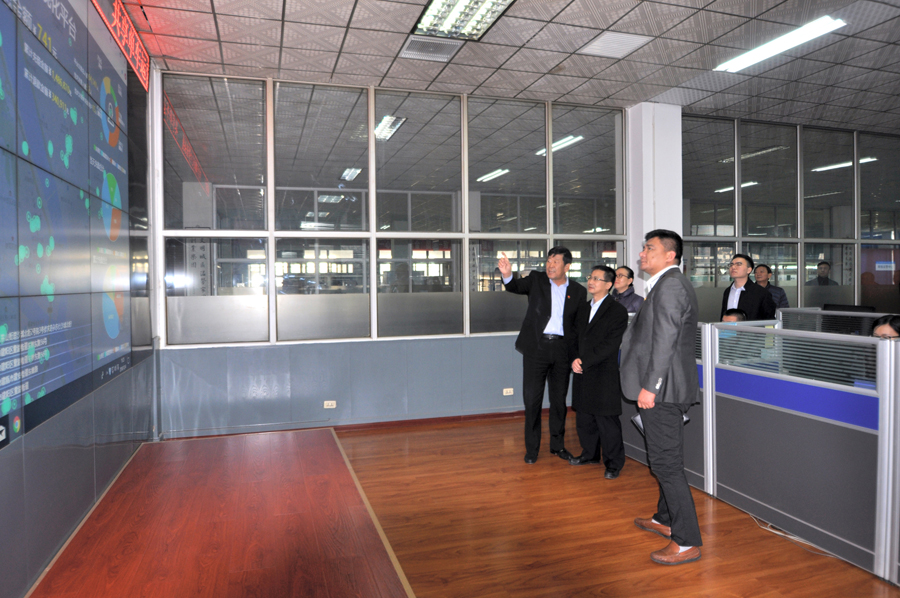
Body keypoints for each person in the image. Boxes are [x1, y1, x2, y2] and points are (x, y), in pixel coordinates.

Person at [620, 229, 703, 566]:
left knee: (667, 465)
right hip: (665, 387)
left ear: (670, 255)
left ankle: (686, 542)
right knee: (663, 460)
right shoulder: (665, 284)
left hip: (664, 390)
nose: (642, 253)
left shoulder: (670, 286)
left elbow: (665, 341)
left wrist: (650, 387)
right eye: (643, 248)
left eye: (649, 248)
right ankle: (664, 519)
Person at [499, 247, 587, 464]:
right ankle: (532, 449)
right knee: (532, 400)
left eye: (555, 261)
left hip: (562, 350)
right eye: (548, 260)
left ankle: (558, 446)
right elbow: (514, 286)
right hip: (536, 348)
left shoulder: (577, 291)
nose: (550, 265)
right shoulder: (537, 280)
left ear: (567, 266)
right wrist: (507, 274)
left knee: (558, 401)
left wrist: (576, 355)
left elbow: (577, 327)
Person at [569, 265, 628, 479]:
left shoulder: (617, 310)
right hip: (582, 370)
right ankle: (590, 454)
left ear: (609, 284)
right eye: (590, 277)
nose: (591, 282)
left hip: (603, 372)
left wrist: (584, 361)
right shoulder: (583, 308)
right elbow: (574, 337)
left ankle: (613, 463)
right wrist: (574, 358)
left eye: (596, 278)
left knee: (606, 421)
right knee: (584, 417)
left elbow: (610, 345)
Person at [720, 254, 776, 321]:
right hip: (728, 328)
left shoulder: (761, 293)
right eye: (731, 265)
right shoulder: (728, 291)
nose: (733, 267)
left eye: (738, 264)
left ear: (749, 270)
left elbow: (769, 320)